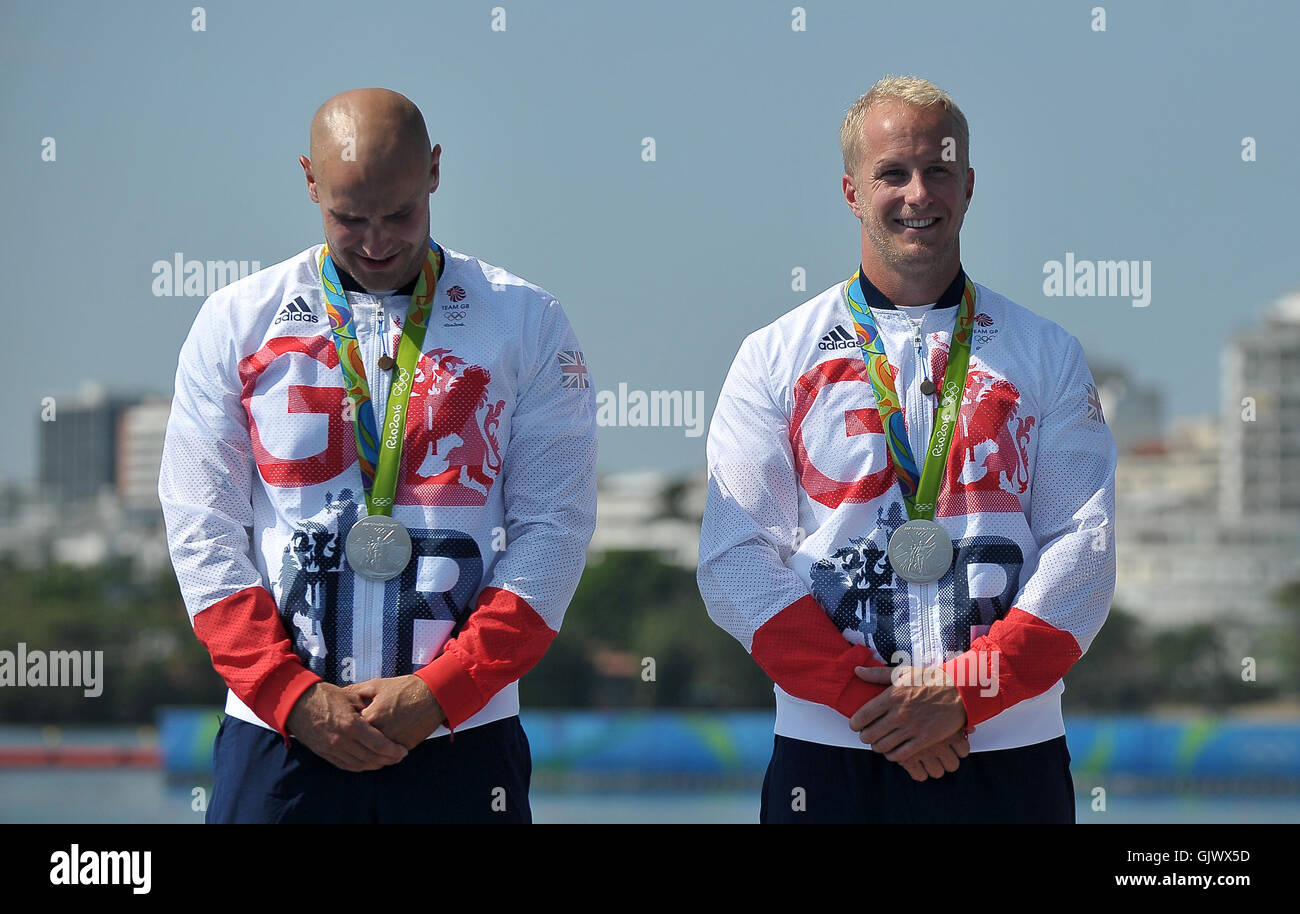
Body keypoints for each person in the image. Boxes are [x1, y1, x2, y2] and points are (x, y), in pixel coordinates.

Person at [159, 88, 597, 823]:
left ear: (434, 171)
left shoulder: (526, 320)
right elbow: (200, 528)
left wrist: (443, 691)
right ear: (308, 181)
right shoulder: (235, 320)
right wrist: (291, 696)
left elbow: (554, 533)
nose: (375, 242)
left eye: (398, 215)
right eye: (347, 218)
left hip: (463, 735)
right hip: (280, 738)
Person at [697, 76, 1116, 824]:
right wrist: (874, 707)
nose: (918, 193)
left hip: (1007, 753)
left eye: (939, 170)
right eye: (893, 172)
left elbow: (1084, 549)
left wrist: (965, 695)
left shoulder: (1048, 353)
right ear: (853, 191)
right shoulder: (773, 356)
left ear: (970, 185)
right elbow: (735, 560)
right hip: (831, 755)